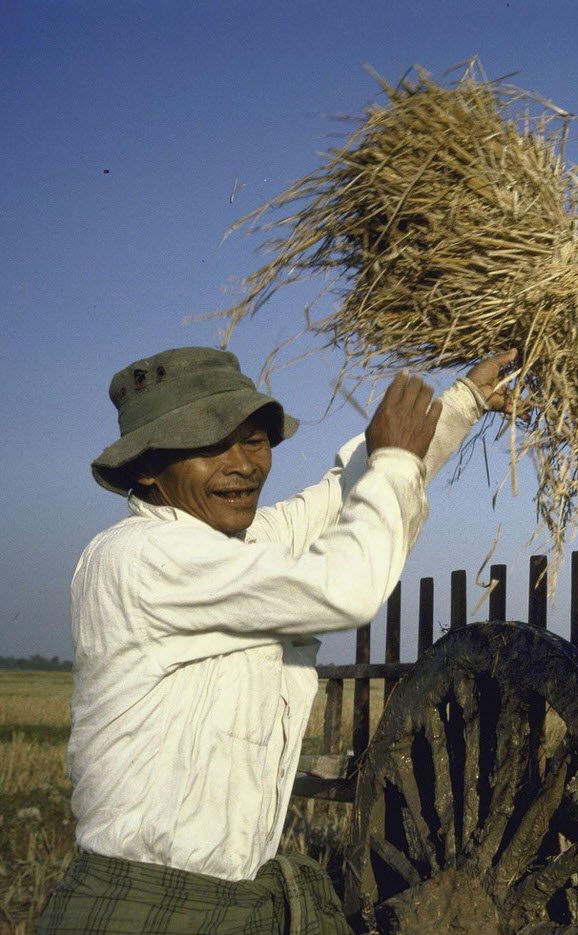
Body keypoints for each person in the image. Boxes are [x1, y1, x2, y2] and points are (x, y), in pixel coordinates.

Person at [38, 345, 515, 934]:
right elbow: (346, 588)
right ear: (145, 467)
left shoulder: (230, 546)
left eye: (255, 441)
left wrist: (461, 403)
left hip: (233, 904)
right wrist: (394, 458)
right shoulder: (140, 558)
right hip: (149, 910)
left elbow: (342, 498)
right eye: (210, 446)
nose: (242, 464)